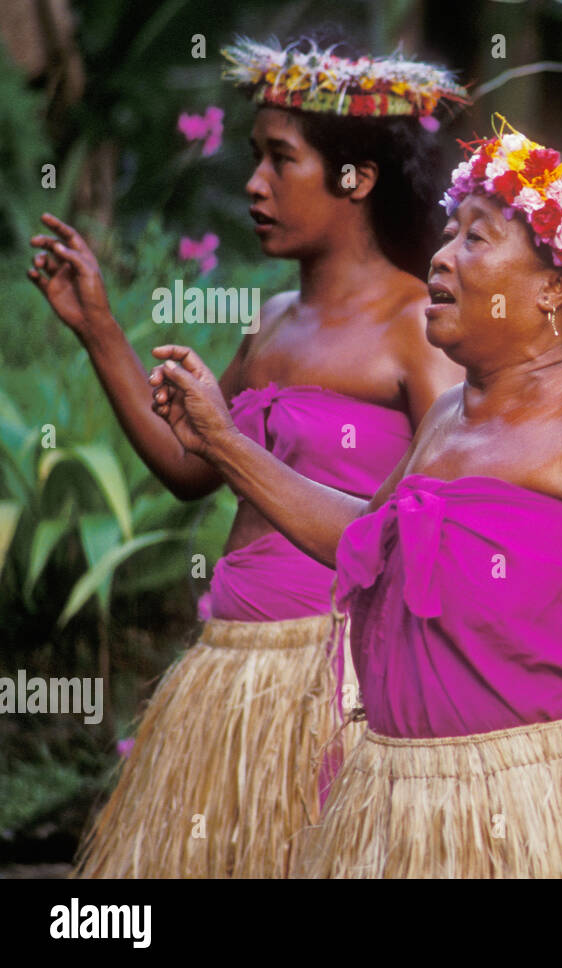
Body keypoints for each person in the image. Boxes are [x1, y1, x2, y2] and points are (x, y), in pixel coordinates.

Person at [147, 118, 562, 878]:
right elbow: (362, 540)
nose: (439, 255)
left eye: (476, 238)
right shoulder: (445, 418)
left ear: (553, 287)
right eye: (448, 233)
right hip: (406, 805)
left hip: (541, 810)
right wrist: (223, 442)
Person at [25, 36, 467, 877]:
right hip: (229, 665)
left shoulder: (419, 329)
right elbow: (193, 467)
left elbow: (425, 523)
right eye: (253, 157)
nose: (254, 184)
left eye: (279, 160)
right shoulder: (269, 321)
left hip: (340, 682)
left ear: (356, 178)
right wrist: (99, 328)